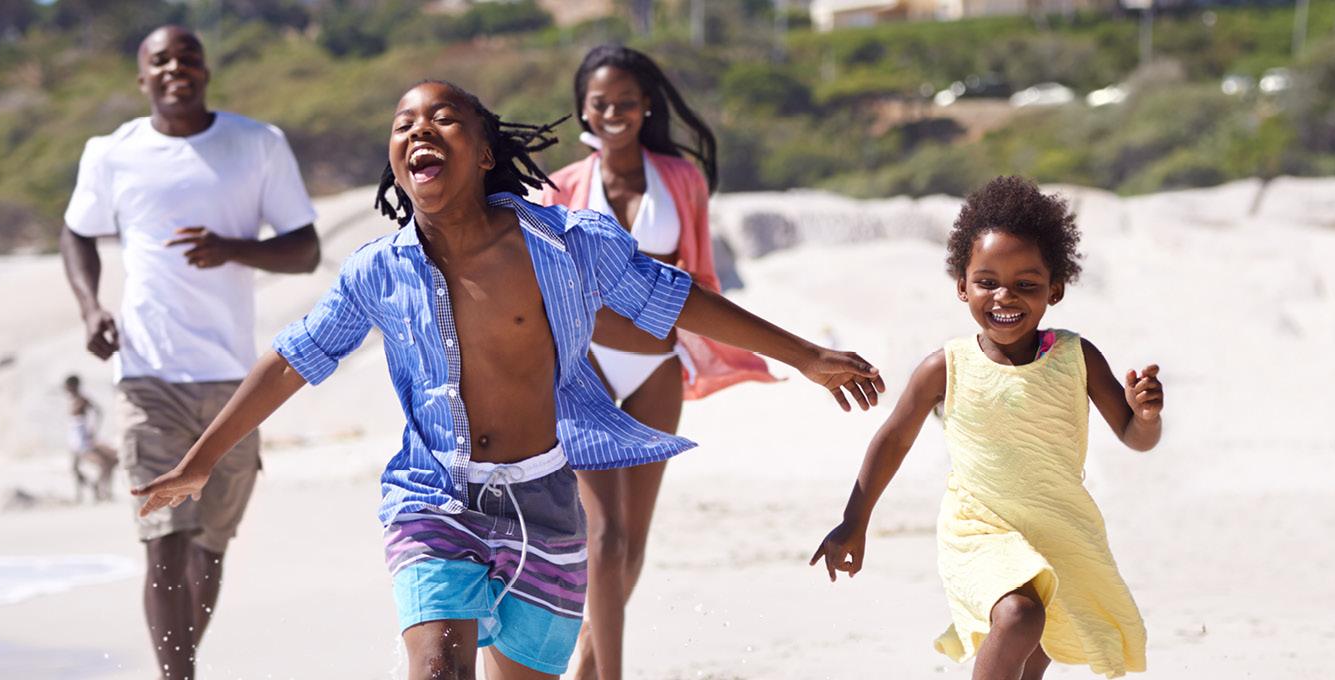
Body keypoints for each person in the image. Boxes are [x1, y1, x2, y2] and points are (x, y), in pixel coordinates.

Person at [134, 80, 885, 680]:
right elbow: (294, 358)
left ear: (487, 152)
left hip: (547, 506)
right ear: (395, 159)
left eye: (445, 119)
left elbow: (671, 297)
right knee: (436, 670)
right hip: (434, 497)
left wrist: (805, 356)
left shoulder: (563, 242)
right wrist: (202, 458)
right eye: (404, 123)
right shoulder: (377, 270)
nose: (420, 130)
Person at [810, 176, 1162, 679]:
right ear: (962, 285)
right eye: (987, 281)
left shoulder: (1077, 357)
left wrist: (1147, 415)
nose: (1005, 296)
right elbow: (893, 440)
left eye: (1026, 284)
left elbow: (1135, 437)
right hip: (979, 528)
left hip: (1059, 528)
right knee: (1020, 617)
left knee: (1036, 651)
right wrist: (854, 520)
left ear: (1054, 289)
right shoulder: (945, 366)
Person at [57, 24, 321, 680]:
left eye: (189, 58)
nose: (176, 68)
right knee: (163, 542)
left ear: (206, 71)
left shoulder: (257, 144)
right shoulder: (112, 153)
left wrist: (234, 248)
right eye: (161, 60)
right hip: (148, 374)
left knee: (209, 545)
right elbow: (76, 233)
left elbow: (304, 248)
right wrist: (91, 307)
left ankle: (178, 670)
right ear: (141, 77)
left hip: (235, 381)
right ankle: (178, 677)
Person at [535, 44, 776, 680]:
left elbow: (697, 278)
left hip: (656, 369)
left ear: (646, 107)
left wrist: (644, 296)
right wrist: (646, 290)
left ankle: (588, 665)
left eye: (625, 102)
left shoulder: (682, 179)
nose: (613, 113)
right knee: (604, 537)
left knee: (634, 542)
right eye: (599, 103)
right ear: (583, 110)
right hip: (585, 373)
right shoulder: (562, 189)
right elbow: (562, 287)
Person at [64, 374, 118, 503]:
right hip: (74, 437)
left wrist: (93, 430)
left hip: (81, 438)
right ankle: (82, 494)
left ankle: (98, 489)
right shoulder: (72, 400)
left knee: (103, 463)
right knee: (74, 468)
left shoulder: (82, 399)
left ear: (73, 386)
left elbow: (98, 412)